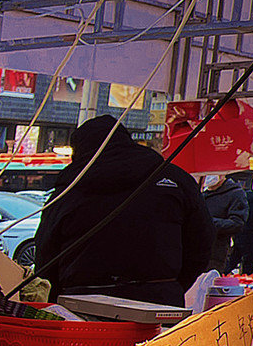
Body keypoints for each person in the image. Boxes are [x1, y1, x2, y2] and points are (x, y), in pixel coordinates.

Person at [36, 116, 214, 307]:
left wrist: (56, 298)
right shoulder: (175, 179)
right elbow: (202, 240)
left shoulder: (68, 190)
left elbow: (46, 254)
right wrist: (169, 286)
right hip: (158, 301)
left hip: (81, 302)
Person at [201, 173, 249, 274]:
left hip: (215, 255)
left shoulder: (236, 193)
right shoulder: (201, 193)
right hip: (194, 252)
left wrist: (208, 222)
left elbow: (237, 223)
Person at [229, 176, 253, 275]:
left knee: (234, 257)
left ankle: (224, 273)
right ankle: (245, 277)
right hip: (251, 233)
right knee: (249, 260)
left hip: (238, 232)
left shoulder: (242, 197)